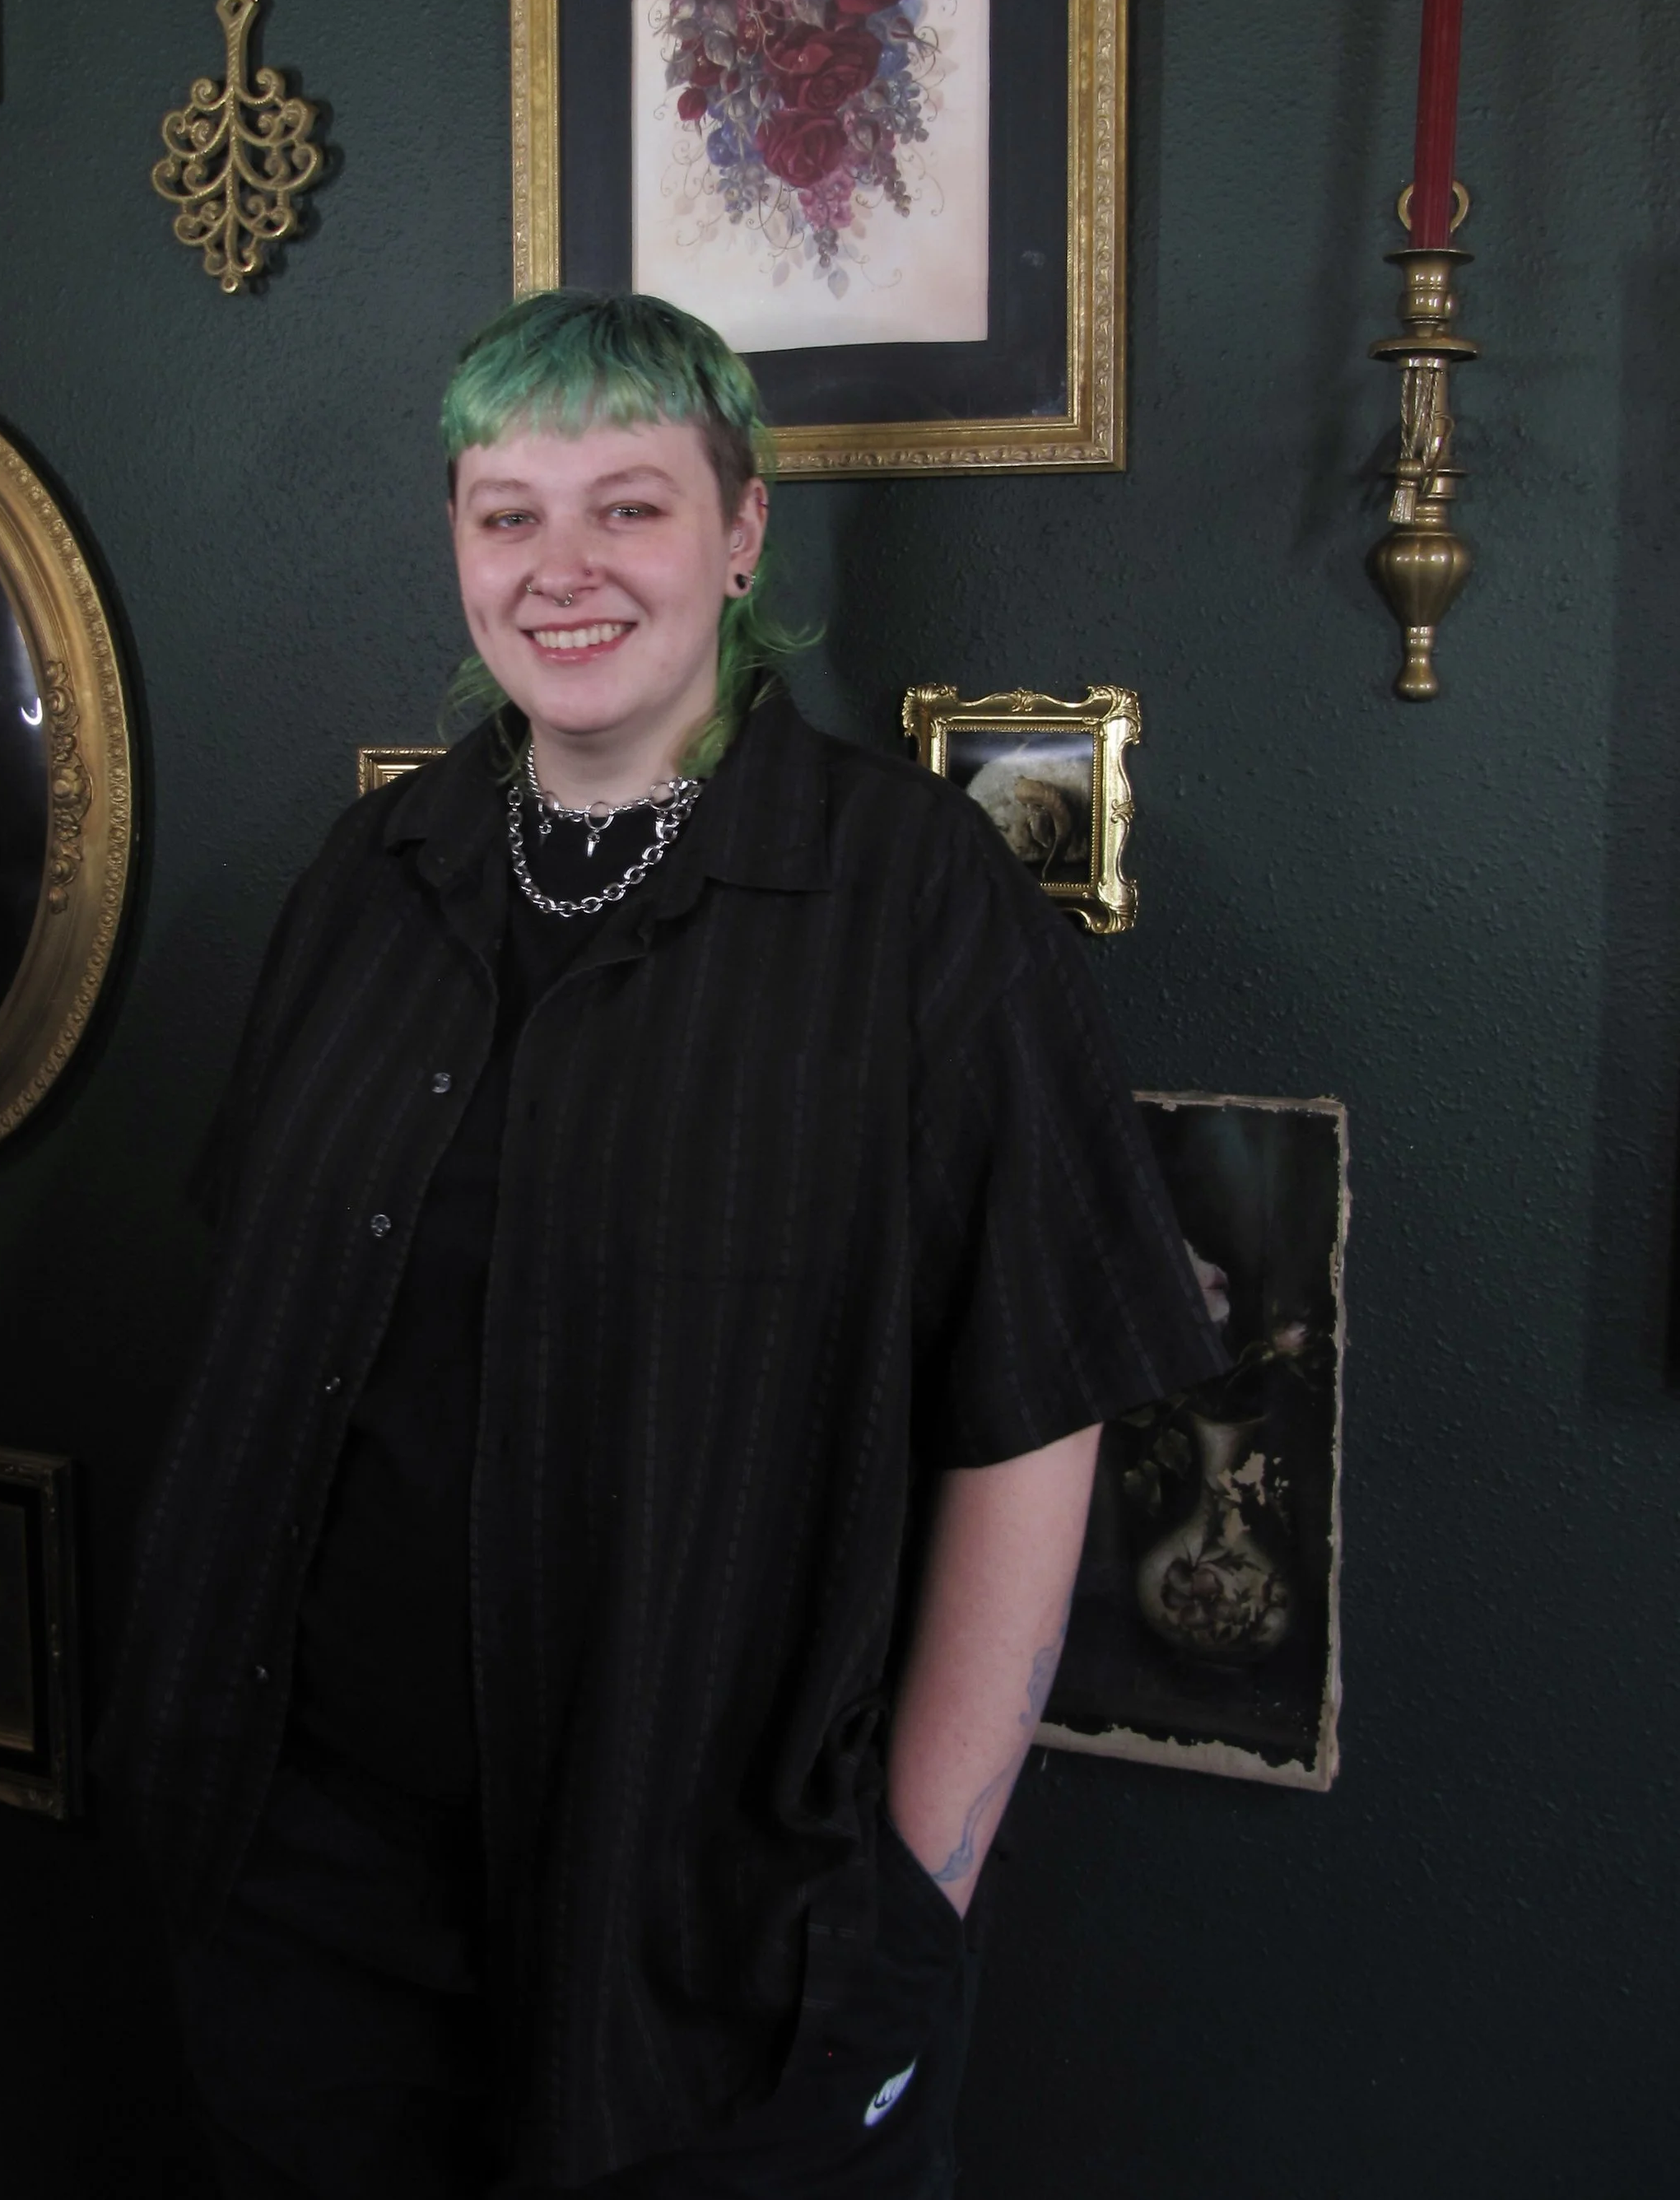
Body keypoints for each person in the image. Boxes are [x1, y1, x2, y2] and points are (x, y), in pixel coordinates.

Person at [104, 290, 1226, 2198]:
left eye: (625, 506)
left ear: (741, 534)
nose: (559, 570)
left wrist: (912, 1912)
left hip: (709, 1941)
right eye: (503, 511)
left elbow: (1035, 1409)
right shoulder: (371, 881)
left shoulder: (911, 905)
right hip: (309, 1896)